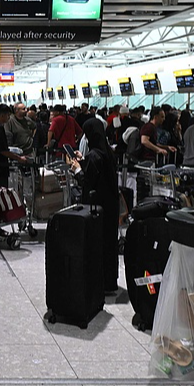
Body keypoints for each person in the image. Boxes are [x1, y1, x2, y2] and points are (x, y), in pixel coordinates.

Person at [71, 118, 120, 291]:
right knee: (109, 244)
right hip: (110, 206)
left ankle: (97, 282)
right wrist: (84, 161)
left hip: (96, 208)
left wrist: (77, 168)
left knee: (97, 244)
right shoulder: (107, 153)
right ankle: (109, 281)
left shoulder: (94, 155)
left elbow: (87, 181)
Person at [0, 104, 27, 188]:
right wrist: (19, 158)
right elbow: (3, 150)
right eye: (8, 115)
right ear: (2, 115)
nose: (8, 117)